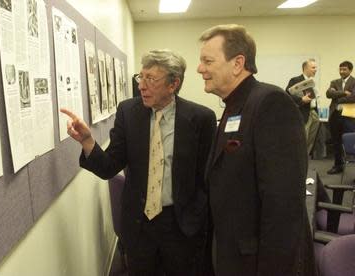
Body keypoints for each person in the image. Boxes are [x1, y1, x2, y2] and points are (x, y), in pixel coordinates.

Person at [61, 49, 216, 276]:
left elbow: (207, 178)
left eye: (151, 79)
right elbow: (110, 166)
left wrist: (198, 220)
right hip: (139, 225)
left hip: (181, 226)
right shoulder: (128, 112)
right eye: (140, 77)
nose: (142, 85)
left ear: (173, 84)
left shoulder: (201, 119)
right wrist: (87, 141)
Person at [197, 24, 316, 275]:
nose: (200, 69)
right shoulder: (234, 105)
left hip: (261, 262)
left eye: (207, 61)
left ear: (238, 63)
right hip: (235, 253)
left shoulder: (270, 103)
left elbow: (283, 205)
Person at [326, 61, 355, 174]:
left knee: (351, 142)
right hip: (335, 115)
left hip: (349, 116)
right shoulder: (334, 82)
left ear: (350, 70)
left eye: (344, 69)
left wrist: (337, 96)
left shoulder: (354, 82)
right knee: (336, 141)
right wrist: (344, 93)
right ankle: (338, 165)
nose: (342, 71)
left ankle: (353, 170)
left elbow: (353, 97)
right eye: (340, 69)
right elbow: (328, 94)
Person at [286, 59, 320, 155]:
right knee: (302, 140)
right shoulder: (295, 80)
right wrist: (301, 100)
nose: (315, 69)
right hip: (303, 113)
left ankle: (306, 162)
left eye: (316, 67)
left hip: (314, 113)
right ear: (305, 68)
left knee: (310, 142)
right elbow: (287, 95)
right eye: (313, 67)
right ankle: (299, 164)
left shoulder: (312, 81)